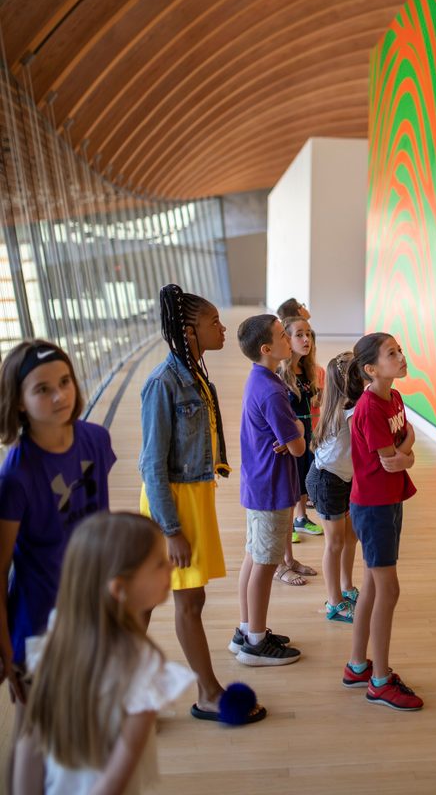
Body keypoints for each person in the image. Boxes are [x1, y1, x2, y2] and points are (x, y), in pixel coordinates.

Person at [139, 284, 264, 722]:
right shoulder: (162, 384)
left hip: (194, 499)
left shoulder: (195, 375)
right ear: (189, 330)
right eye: (213, 322)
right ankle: (208, 693)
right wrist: (170, 529)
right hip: (173, 505)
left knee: (157, 601)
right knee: (180, 602)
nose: (222, 327)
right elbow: (151, 465)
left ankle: (126, 693)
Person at [12, 511, 196, 794]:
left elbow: (30, 743)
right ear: (120, 589)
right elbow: (114, 779)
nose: (171, 566)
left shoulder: (57, 638)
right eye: (159, 563)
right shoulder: (142, 665)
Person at [0, 339, 116, 774]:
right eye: (43, 389)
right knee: (34, 730)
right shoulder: (17, 473)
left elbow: (98, 527)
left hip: (89, 611)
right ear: (19, 402)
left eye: (64, 382)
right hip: (37, 624)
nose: (59, 396)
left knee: (81, 718)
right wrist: (6, 646)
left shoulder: (96, 440)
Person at [342, 333, 424, 711]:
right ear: (371, 369)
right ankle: (379, 681)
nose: (401, 357)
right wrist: (408, 446)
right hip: (373, 507)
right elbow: (394, 456)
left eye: (399, 351)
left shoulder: (395, 398)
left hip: (388, 500)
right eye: (392, 354)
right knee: (388, 591)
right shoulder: (370, 408)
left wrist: (404, 448)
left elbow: (400, 449)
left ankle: (358, 666)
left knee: (373, 588)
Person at [231, 313, 306, 665]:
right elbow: (298, 447)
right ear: (267, 348)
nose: (288, 339)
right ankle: (256, 644)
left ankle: (247, 629)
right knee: (265, 562)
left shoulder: (258, 379)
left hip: (258, 484)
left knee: (253, 555)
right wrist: (298, 432)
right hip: (272, 488)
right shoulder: (273, 390)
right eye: (282, 334)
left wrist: (286, 434)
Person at [306, 352, 362, 623]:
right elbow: (366, 445)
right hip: (326, 481)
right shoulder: (349, 411)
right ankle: (334, 603)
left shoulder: (350, 405)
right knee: (335, 542)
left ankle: (347, 588)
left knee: (350, 538)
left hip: (343, 479)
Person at [278, 316, 323, 541]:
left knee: (305, 474)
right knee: (290, 478)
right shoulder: (279, 373)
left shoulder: (306, 370)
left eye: (308, 334)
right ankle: (288, 527)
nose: (306, 339)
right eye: (299, 335)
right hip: (289, 435)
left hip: (307, 432)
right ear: (286, 338)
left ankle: (301, 518)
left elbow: (312, 401)